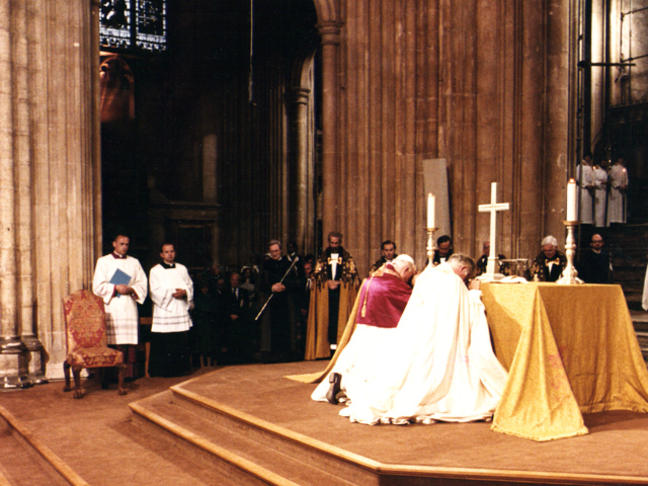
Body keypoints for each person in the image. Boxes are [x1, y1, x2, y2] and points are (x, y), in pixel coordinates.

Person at [337, 254, 508, 425]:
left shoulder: (427, 275)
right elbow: (465, 311)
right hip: (440, 340)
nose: (465, 280)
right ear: (462, 269)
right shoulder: (454, 282)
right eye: (466, 276)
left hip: (416, 335)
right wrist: (474, 294)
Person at [311, 254, 416, 404]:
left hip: (363, 328)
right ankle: (352, 390)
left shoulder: (373, 277)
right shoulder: (394, 284)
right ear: (406, 269)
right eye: (409, 276)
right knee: (375, 368)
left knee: (354, 360)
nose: (406, 281)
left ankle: (340, 382)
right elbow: (414, 303)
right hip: (383, 331)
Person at [92, 233, 148, 379]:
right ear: (114, 244)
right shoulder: (103, 261)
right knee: (114, 341)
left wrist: (131, 289)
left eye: (127, 244)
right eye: (121, 244)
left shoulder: (134, 262)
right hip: (113, 306)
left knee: (128, 343)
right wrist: (115, 288)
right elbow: (97, 286)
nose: (124, 247)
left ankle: (128, 376)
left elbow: (142, 283)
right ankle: (111, 376)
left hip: (129, 305)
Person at [304, 232, 359, 360]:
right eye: (332, 243)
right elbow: (315, 275)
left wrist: (340, 282)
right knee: (327, 320)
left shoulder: (347, 258)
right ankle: (324, 350)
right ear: (328, 242)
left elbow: (353, 276)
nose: (334, 245)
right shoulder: (322, 258)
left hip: (341, 293)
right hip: (326, 294)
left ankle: (339, 350)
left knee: (338, 320)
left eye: (336, 243)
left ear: (340, 243)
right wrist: (326, 282)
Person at [148, 243, 194, 377]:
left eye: (172, 251)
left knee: (180, 340)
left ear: (175, 253)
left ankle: (181, 370)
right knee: (165, 341)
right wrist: (173, 292)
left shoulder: (182, 269)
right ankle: (162, 372)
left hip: (179, 309)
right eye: (166, 252)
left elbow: (190, 286)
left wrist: (185, 292)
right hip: (165, 311)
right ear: (161, 254)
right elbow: (154, 291)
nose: (169, 254)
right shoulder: (155, 270)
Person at [259, 240, 300, 361]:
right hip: (272, 302)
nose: (274, 254)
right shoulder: (266, 265)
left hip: (286, 300)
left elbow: (297, 282)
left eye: (276, 251)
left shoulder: (288, 264)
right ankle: (272, 356)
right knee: (271, 329)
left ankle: (286, 355)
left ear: (281, 250)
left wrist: (285, 286)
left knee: (286, 328)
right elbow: (260, 283)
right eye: (272, 252)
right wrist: (271, 287)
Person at [607, 156, 629, 225]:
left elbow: (626, 179)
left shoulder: (624, 168)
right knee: (614, 206)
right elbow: (611, 179)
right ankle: (613, 220)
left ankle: (620, 220)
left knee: (621, 206)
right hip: (615, 189)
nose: (621, 160)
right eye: (620, 159)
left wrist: (625, 185)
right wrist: (618, 185)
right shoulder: (613, 168)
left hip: (622, 190)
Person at [576, 153, 594, 225]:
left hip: (588, 191)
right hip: (583, 189)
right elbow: (578, 178)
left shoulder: (589, 167)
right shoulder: (579, 167)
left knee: (587, 211)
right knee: (582, 208)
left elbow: (592, 178)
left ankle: (586, 223)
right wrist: (586, 185)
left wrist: (592, 184)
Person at [592, 159, 608, 227]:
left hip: (603, 191)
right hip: (597, 191)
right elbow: (593, 181)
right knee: (597, 209)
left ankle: (601, 224)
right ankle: (597, 224)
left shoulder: (604, 171)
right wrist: (600, 182)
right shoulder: (594, 171)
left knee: (602, 209)